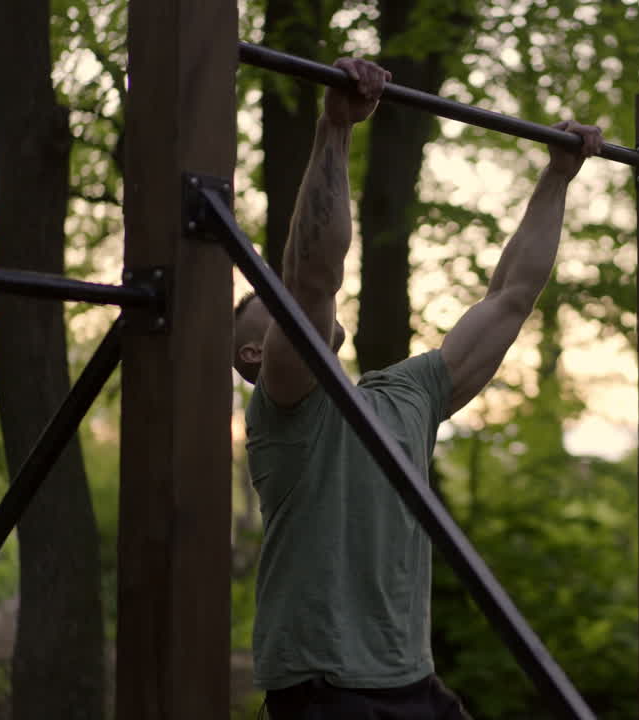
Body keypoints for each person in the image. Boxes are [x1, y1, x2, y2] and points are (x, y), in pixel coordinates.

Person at [232, 56, 603, 720]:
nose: (281, 299)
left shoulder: (406, 397)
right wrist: (335, 129)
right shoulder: (284, 408)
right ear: (254, 352)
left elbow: (510, 299)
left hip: (413, 682)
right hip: (322, 688)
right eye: (267, 301)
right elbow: (312, 282)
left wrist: (556, 178)